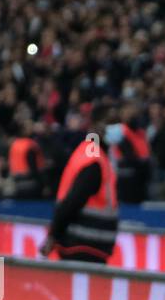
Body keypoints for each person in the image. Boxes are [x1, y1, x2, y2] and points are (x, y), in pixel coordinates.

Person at [41, 106, 119, 264]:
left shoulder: (94, 153)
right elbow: (73, 201)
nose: (117, 128)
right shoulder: (94, 158)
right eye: (111, 123)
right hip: (83, 244)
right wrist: (53, 235)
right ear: (97, 126)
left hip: (87, 244)